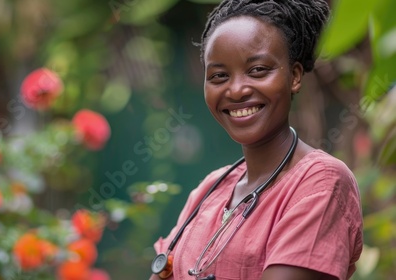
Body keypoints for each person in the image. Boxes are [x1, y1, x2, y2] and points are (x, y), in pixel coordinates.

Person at [150, 0, 363, 279]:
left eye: (258, 70)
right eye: (219, 76)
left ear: (295, 76)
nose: (236, 90)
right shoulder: (209, 190)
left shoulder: (320, 183)